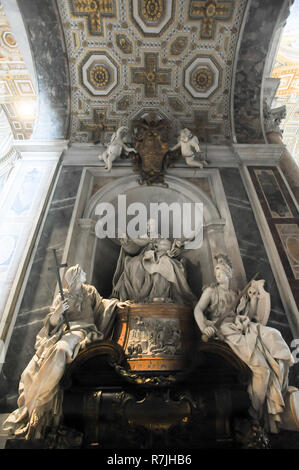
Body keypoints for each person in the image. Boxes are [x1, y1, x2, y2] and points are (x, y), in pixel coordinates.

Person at [3, 264, 127, 440]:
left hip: (83, 331)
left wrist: (117, 305)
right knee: (31, 369)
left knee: (61, 349)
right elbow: (51, 323)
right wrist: (58, 313)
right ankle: (38, 401)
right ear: (75, 276)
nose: (84, 273)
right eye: (81, 272)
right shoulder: (62, 295)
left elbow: (102, 307)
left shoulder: (90, 291)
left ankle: (41, 398)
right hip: (64, 333)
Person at [194, 254, 296, 433]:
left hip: (241, 326)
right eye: (216, 270)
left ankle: (284, 361)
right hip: (225, 330)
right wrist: (205, 328)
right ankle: (254, 414)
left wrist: (254, 298)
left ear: (229, 273)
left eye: (221, 270)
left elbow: (250, 316)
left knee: (274, 333)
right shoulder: (210, 291)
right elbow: (198, 310)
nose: (218, 274)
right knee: (262, 369)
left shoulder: (235, 294)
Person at [112, 219, 197, 306]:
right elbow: (133, 249)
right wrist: (126, 242)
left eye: (151, 225)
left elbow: (169, 249)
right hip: (144, 257)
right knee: (133, 264)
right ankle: (136, 298)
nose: (148, 227)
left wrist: (171, 251)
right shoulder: (141, 238)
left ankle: (160, 296)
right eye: (147, 225)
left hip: (159, 257)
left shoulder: (162, 239)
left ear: (156, 227)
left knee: (165, 263)